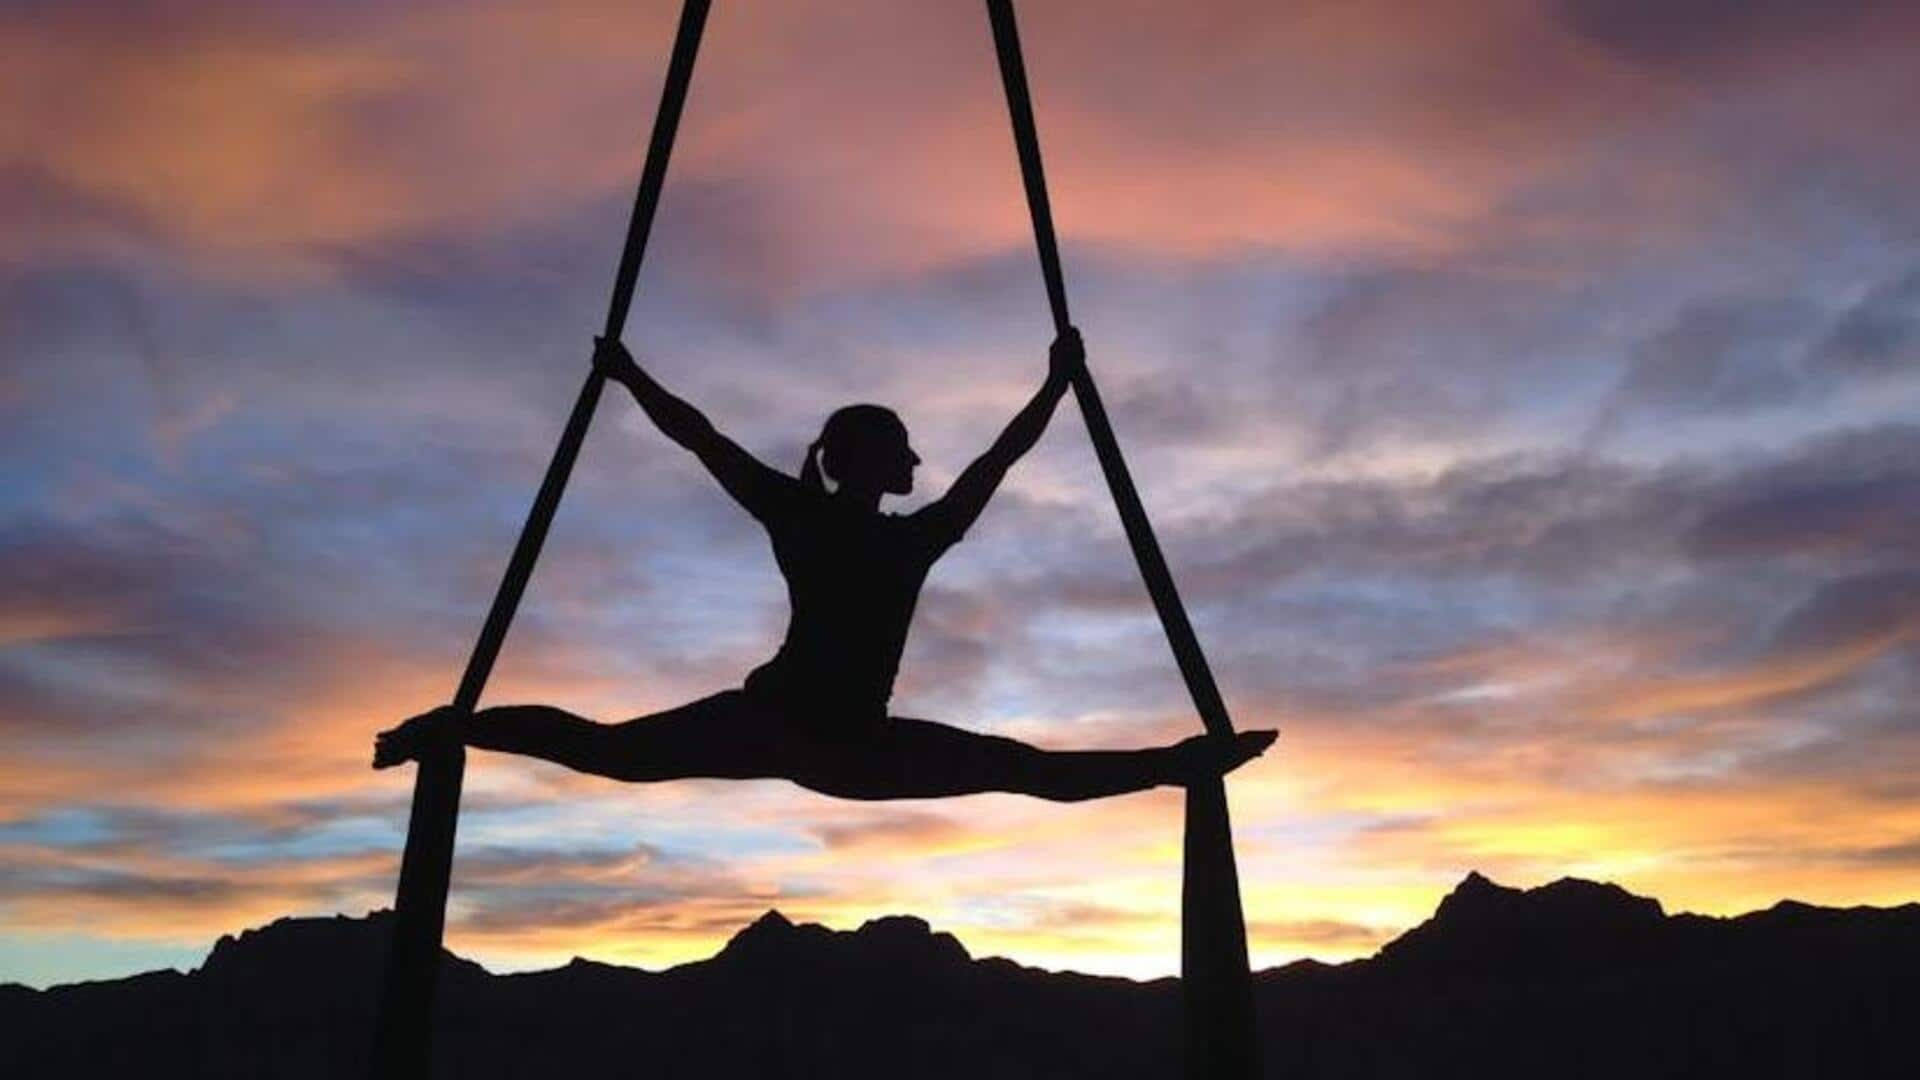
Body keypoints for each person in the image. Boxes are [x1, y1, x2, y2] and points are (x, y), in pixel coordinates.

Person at [374, 331, 1274, 801]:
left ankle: (1182, 765)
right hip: (816, 733)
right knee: (1020, 769)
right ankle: (1181, 765)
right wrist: (627, 376)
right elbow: (705, 440)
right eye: (906, 450)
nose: (919, 463)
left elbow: (704, 441)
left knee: (1018, 767)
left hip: (815, 732)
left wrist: (1055, 389)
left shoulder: (829, 519)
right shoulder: (888, 534)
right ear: (870, 461)